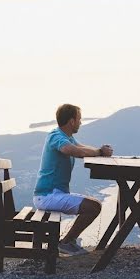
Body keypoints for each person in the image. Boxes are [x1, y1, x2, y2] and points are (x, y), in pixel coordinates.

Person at [33, 103, 113, 256]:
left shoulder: (67, 137)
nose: (81, 123)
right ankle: (66, 243)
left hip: (53, 194)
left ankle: (68, 241)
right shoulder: (56, 136)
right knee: (93, 208)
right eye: (79, 119)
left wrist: (100, 151)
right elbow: (70, 150)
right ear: (71, 121)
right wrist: (99, 152)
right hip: (47, 196)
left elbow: (82, 147)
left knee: (95, 204)